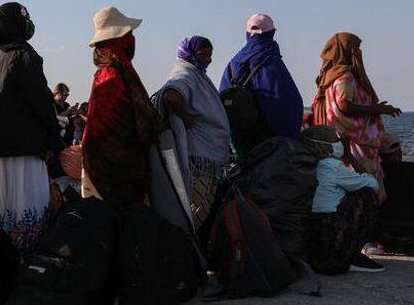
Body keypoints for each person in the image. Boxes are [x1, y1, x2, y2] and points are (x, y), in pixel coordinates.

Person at [0, 2, 64, 259]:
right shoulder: (25, 55)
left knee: (0, 213)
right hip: (25, 151)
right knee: (27, 211)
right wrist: (55, 140)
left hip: (0, 151)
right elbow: (42, 102)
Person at [82, 6, 163, 206]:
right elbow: (145, 120)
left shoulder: (107, 72)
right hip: (117, 172)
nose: (132, 39)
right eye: (129, 34)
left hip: (101, 167)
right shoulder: (116, 74)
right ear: (118, 40)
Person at [154, 36, 231, 231]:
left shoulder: (197, 75)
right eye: (202, 54)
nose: (207, 59)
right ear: (189, 53)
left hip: (206, 159)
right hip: (199, 161)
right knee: (193, 215)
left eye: (209, 55)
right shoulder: (185, 72)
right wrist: (187, 117)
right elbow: (172, 94)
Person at [312, 32, 401, 191]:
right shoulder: (344, 77)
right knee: (365, 185)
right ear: (345, 50)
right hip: (356, 141)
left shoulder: (331, 76)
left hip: (347, 139)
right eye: (355, 48)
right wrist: (378, 109)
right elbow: (345, 106)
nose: (358, 53)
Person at [219, 13, 303, 159]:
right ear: (271, 34)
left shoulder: (234, 63)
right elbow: (286, 105)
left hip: (240, 137)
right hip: (267, 141)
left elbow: (223, 96)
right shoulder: (271, 62)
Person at [302, 125, 384, 273]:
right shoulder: (331, 166)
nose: (340, 142)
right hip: (328, 233)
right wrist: (350, 156)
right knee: (367, 194)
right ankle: (350, 255)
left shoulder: (302, 163)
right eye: (337, 140)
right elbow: (372, 184)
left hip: (308, 231)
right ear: (327, 146)